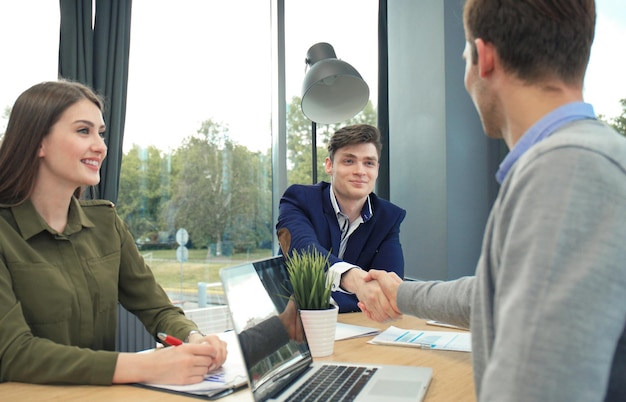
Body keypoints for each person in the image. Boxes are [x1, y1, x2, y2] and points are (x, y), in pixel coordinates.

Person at [361, 1, 626, 401]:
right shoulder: (578, 158)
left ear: (484, 59)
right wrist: (401, 294)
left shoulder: (567, 173)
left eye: (466, 55)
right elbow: (492, 293)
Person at [0, 80, 227, 385]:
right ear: (38, 142)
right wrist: (150, 366)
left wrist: (193, 338)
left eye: (101, 133)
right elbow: (14, 353)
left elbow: (156, 308)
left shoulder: (106, 224)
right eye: (84, 131)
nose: (101, 146)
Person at [276, 124, 405, 321]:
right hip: (294, 324)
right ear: (330, 165)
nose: (360, 171)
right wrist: (355, 281)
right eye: (349, 161)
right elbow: (302, 251)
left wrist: (330, 300)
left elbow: (387, 291)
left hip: (358, 329)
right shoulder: (299, 199)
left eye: (369, 163)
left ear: (377, 169)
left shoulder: (388, 217)